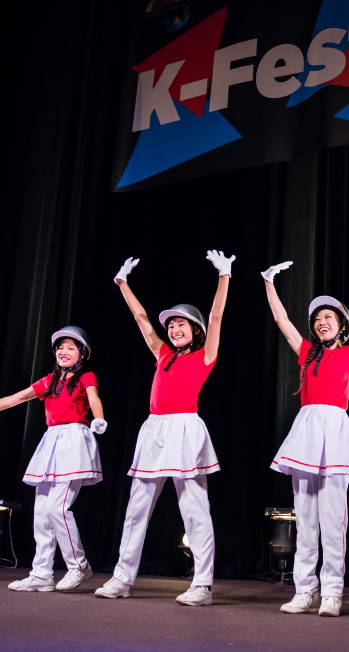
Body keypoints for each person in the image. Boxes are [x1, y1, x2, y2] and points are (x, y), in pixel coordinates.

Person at [262, 252, 349, 617]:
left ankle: (333, 592)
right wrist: (269, 282)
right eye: (317, 318)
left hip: (335, 432)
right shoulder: (307, 352)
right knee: (305, 518)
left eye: (328, 317)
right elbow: (281, 320)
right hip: (306, 433)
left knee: (333, 520)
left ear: (341, 326)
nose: (321, 322)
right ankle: (305, 590)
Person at [95, 250, 233, 607]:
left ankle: (202, 585)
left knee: (194, 509)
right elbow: (141, 318)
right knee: (136, 509)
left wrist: (224, 276)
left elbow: (216, 316)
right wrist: (122, 283)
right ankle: (122, 578)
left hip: (186, 429)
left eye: (181, 324)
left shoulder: (204, 356)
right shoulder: (163, 354)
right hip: (154, 430)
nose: (173, 329)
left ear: (195, 330)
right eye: (171, 325)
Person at [0, 326, 106, 592]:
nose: (63, 351)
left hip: (74, 441)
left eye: (70, 347)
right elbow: (13, 399)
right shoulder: (49, 381)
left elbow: (93, 397)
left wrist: (98, 418)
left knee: (57, 509)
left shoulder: (86, 376)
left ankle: (79, 566)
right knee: (41, 513)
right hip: (51, 440)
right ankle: (41, 573)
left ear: (82, 353)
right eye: (60, 347)